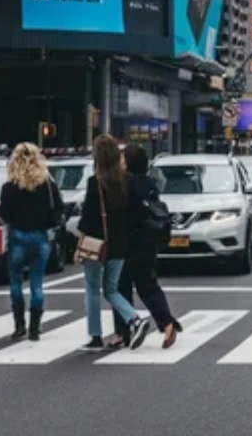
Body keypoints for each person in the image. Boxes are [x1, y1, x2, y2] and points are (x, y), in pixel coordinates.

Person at [77, 134, 153, 351]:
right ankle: (134, 319)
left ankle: (95, 336)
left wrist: (79, 244)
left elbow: (87, 218)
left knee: (92, 289)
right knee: (111, 289)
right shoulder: (126, 181)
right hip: (120, 244)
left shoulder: (95, 183)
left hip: (96, 243)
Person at [0, 143, 64, 342]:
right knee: (37, 283)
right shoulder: (47, 185)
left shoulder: (9, 187)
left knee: (16, 281)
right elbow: (59, 208)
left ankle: (19, 326)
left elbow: (5, 215)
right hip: (40, 236)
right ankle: (35, 329)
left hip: (18, 236)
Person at [111, 144, 182, 349]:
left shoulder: (125, 182)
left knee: (120, 284)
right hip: (149, 239)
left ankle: (123, 330)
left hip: (129, 239)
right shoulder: (150, 182)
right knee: (147, 283)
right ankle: (167, 323)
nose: (120, 163)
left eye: (123, 159)